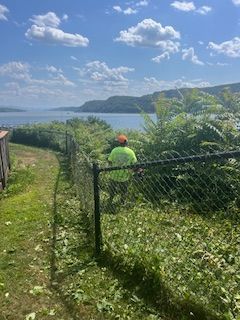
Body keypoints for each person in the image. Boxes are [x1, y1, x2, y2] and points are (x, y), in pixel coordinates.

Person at [107, 134, 137, 208]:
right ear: (126, 142)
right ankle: (122, 202)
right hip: (125, 176)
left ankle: (110, 201)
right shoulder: (131, 152)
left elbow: (109, 161)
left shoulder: (114, 150)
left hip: (114, 174)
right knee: (124, 190)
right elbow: (134, 163)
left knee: (112, 189)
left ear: (119, 142)